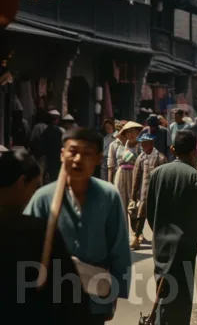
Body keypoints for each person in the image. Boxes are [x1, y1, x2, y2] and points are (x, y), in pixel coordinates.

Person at [24, 128, 132, 324]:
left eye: (87, 153)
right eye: (73, 151)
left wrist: (114, 293)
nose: (78, 159)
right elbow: (23, 250)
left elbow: (119, 249)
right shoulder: (43, 199)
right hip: (52, 302)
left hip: (95, 299)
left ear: (99, 158)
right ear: (61, 154)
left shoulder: (109, 197)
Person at [0, 148, 92, 324]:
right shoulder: (36, 232)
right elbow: (71, 297)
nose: (33, 194)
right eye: (34, 186)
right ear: (21, 183)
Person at [147, 130, 197, 325]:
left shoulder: (156, 174)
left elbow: (150, 212)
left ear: (173, 150)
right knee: (181, 300)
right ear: (193, 153)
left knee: (162, 292)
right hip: (186, 249)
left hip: (161, 246)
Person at [130, 133, 168, 250]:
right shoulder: (140, 158)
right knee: (141, 216)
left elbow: (165, 179)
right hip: (143, 194)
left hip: (157, 194)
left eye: (144, 143)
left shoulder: (161, 158)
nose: (142, 145)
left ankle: (161, 240)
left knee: (156, 218)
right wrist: (133, 195)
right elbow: (136, 178)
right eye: (141, 143)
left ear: (151, 143)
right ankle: (136, 237)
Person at [110, 121, 143, 233]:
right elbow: (112, 164)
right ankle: (123, 233)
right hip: (121, 174)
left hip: (134, 175)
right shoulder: (118, 145)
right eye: (128, 132)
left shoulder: (141, 145)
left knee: (134, 204)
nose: (131, 134)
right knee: (121, 204)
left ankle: (137, 232)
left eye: (134, 132)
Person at [41, 109, 64, 183]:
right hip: (57, 157)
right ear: (56, 119)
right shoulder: (59, 131)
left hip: (48, 157)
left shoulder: (46, 130)